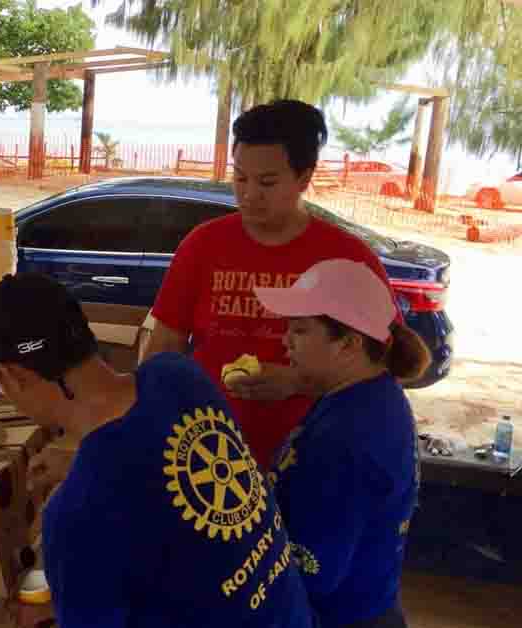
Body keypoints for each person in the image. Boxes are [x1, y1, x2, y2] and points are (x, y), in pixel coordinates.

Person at [0, 273, 313, 628]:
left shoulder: (76, 515)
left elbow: (118, 490)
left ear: (13, 374)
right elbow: (152, 479)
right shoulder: (177, 374)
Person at [145, 99, 400, 468]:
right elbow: (164, 349)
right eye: (240, 178)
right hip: (205, 453)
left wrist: (297, 382)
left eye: (267, 182)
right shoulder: (203, 245)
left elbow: (389, 365)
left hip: (312, 458)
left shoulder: (347, 257)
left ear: (304, 178)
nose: (249, 194)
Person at [255, 258, 428, 628]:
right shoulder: (366, 396)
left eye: (300, 330)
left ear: (349, 344)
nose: (285, 341)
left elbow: (314, 574)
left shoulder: (347, 438)